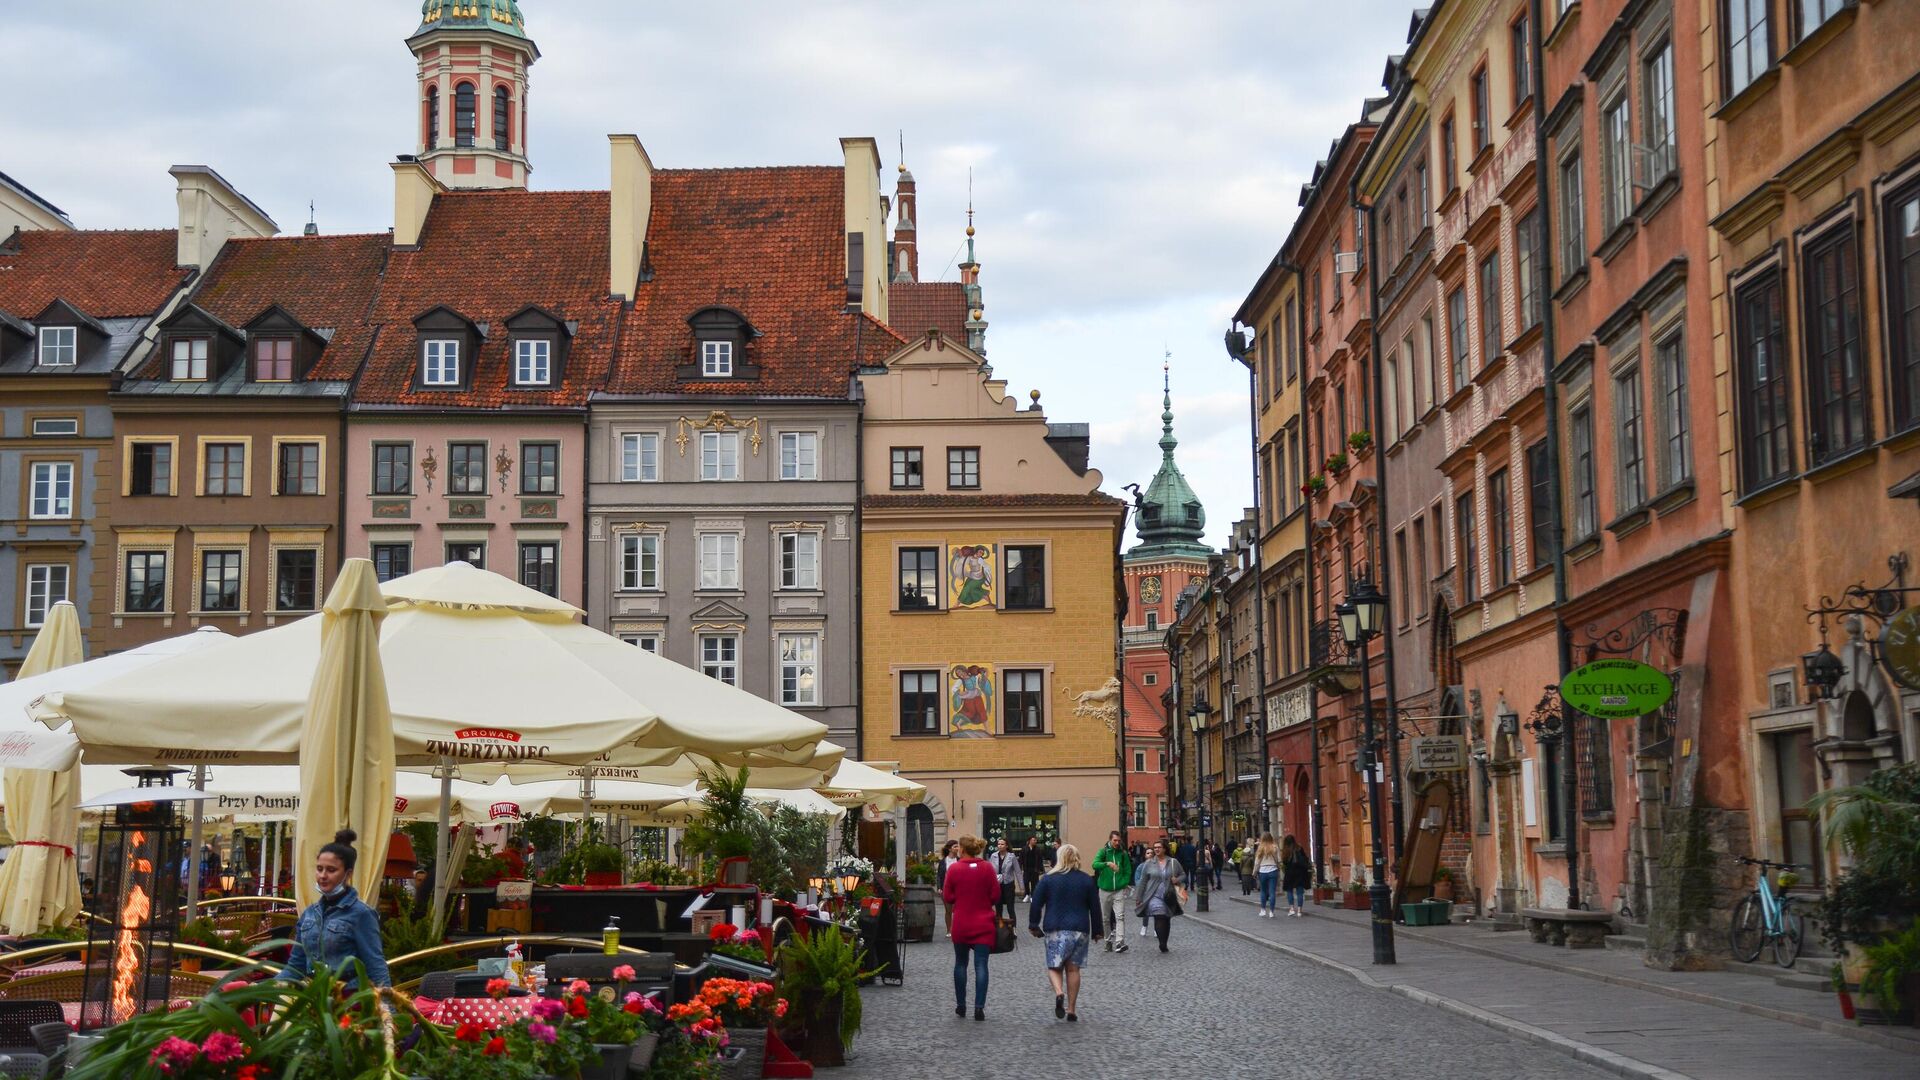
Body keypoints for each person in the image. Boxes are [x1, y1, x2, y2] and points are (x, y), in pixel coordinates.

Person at [279, 830, 390, 987]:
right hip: (314, 999)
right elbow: (296, 966)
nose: (323, 875)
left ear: (348, 874)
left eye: (331, 870)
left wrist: (387, 1009)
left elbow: (376, 966)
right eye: (319, 869)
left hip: (348, 1001)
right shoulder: (309, 914)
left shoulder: (362, 914)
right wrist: (266, 988)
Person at [1028, 844, 1103, 1022]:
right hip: (1080, 929)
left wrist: (1033, 924)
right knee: (1073, 968)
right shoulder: (1086, 880)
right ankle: (1071, 1009)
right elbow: (1095, 907)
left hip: (1056, 928)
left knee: (1054, 966)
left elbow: (1036, 903)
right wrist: (1098, 931)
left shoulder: (1048, 879)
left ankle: (1059, 992)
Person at [941, 835, 999, 1021]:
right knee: (981, 965)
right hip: (984, 923)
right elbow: (996, 896)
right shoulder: (988, 868)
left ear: (962, 850)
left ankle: (961, 1005)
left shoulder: (955, 869)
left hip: (962, 923)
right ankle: (979, 1007)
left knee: (960, 963)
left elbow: (948, 897)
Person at [1133, 840, 1187, 953]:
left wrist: (1177, 880)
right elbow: (1143, 881)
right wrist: (1139, 897)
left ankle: (1164, 942)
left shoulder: (1173, 862)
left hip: (1169, 895)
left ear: (1164, 849)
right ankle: (1162, 944)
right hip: (1153, 895)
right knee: (1159, 915)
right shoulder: (1149, 863)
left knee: (1166, 918)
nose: (1156, 849)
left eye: (1159, 847)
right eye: (1155, 847)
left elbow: (1183, 875)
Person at [1091, 830, 1133, 953]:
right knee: (1105, 918)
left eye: (1119, 841)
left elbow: (1128, 870)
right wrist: (1107, 864)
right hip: (1104, 889)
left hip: (1118, 889)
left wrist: (1124, 882)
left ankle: (1120, 942)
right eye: (1115, 840)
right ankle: (1108, 941)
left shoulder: (1123, 854)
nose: (1117, 843)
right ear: (1110, 840)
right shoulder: (1103, 851)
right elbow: (1095, 864)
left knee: (1120, 916)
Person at [934, 840, 961, 937]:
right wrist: (939, 887)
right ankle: (949, 930)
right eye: (955, 847)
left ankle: (957, 929)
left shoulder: (960, 860)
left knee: (958, 910)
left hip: (958, 888)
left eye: (958, 846)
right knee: (948, 910)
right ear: (950, 849)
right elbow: (939, 875)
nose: (957, 848)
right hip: (946, 888)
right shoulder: (943, 861)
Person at [1281, 834, 1313, 917]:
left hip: (1289, 873)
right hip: (1300, 873)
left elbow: (1284, 862)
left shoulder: (1285, 850)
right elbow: (1305, 858)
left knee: (1289, 891)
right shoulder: (1299, 848)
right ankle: (1299, 910)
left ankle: (1291, 909)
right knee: (1300, 892)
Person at [990, 838, 1020, 921]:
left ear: (1006, 846)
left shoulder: (1011, 856)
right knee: (998, 909)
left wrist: (1022, 886)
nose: (1000, 846)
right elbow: (990, 870)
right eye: (999, 844)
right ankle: (1000, 929)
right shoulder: (993, 856)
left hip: (1008, 884)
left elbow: (1018, 871)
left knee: (1010, 908)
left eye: (1002, 844)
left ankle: (1013, 929)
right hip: (997, 885)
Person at [1253, 833, 1281, 917]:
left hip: (1263, 871)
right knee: (1272, 892)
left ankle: (1263, 910)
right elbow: (1279, 860)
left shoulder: (1260, 848)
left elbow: (1257, 862)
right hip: (1273, 870)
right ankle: (1271, 912)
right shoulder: (1275, 847)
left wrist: (1254, 872)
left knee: (1263, 891)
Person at [1018, 836, 1051, 902]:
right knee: (1026, 882)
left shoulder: (1037, 849)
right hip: (1026, 868)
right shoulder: (1024, 848)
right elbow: (1021, 859)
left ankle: (1032, 896)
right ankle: (1027, 894)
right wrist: (1020, 867)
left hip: (1035, 869)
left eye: (1035, 840)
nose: (1035, 841)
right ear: (1030, 841)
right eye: (1033, 840)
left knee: (1034, 883)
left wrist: (1041, 869)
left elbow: (1040, 860)